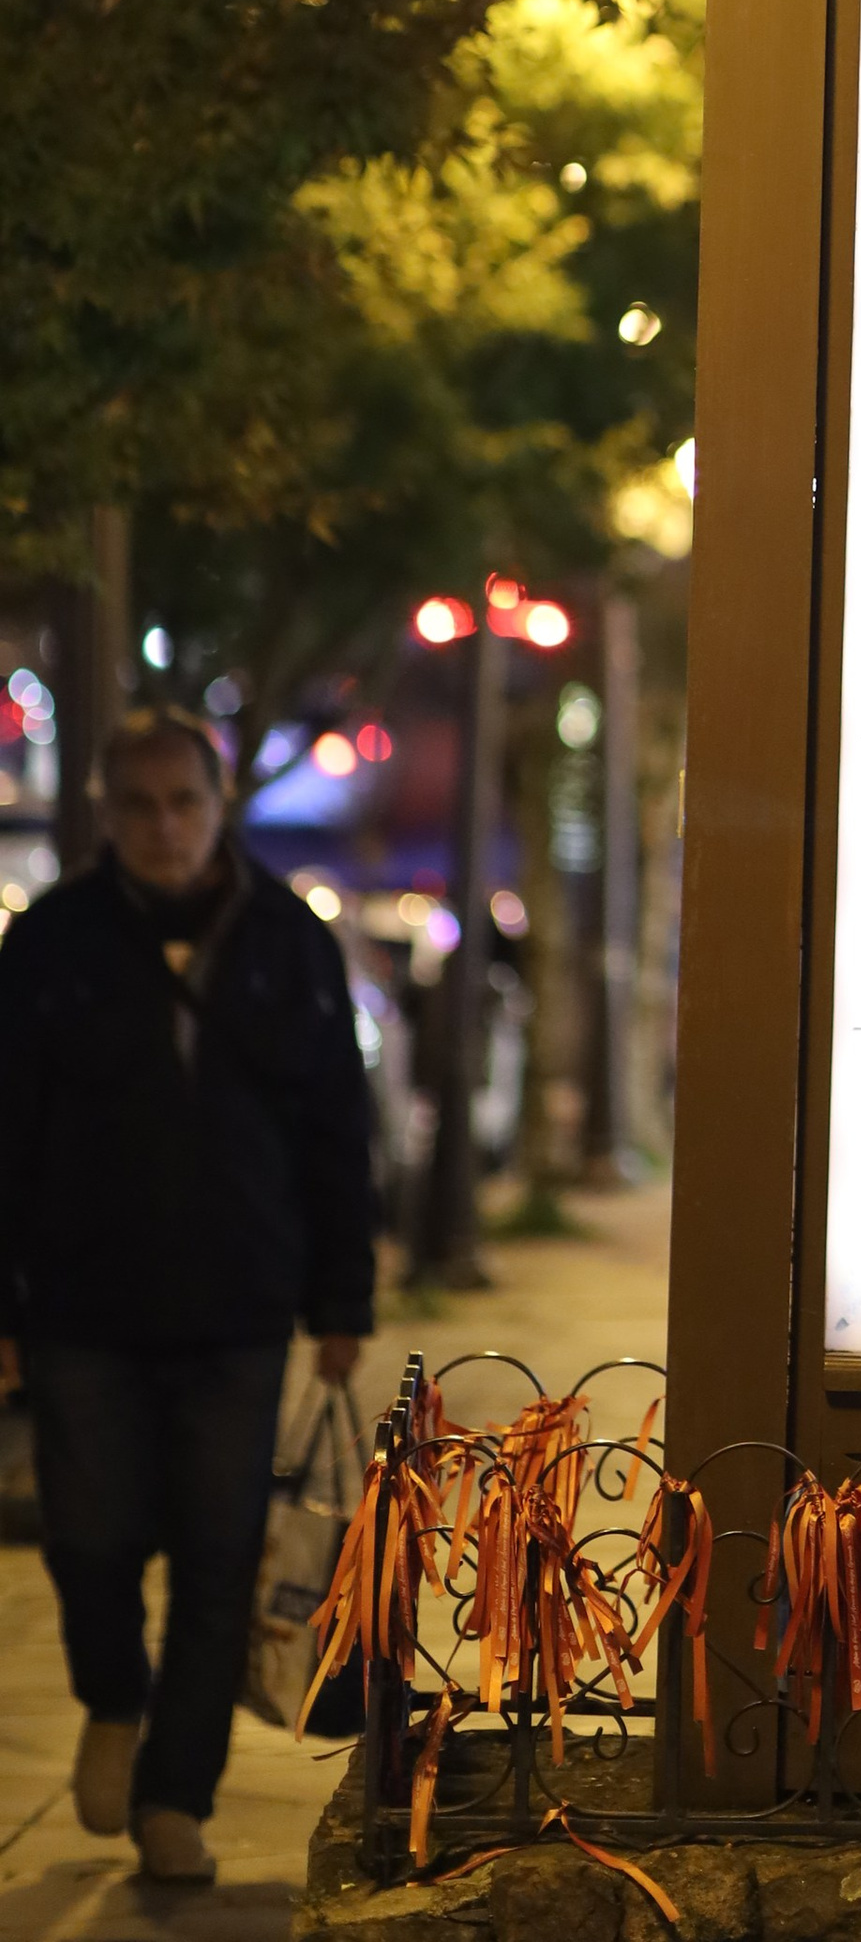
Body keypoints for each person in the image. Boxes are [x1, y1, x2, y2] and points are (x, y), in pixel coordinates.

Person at [0, 707, 374, 1884]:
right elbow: (7, 1131)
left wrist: (341, 1301)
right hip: (82, 1306)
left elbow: (335, 1133)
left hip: (242, 1303)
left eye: (184, 802)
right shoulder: (55, 940)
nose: (164, 826)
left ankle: (178, 1799)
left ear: (219, 810)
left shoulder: (286, 941)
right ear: (107, 815)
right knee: (91, 1541)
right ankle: (115, 1695)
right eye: (140, 805)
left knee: (220, 1563)